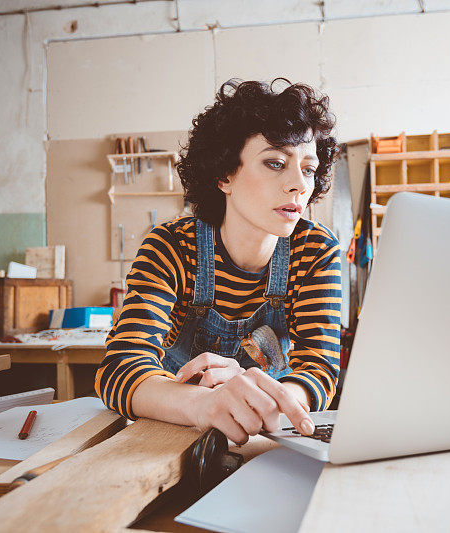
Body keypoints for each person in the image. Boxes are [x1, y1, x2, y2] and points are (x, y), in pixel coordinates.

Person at [95, 78, 342, 444]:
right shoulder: (171, 248)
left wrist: (266, 402)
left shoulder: (316, 251)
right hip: (174, 434)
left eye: (308, 168)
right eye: (275, 163)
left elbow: (319, 369)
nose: (298, 185)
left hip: (266, 437)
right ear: (225, 175)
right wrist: (204, 404)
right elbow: (120, 369)